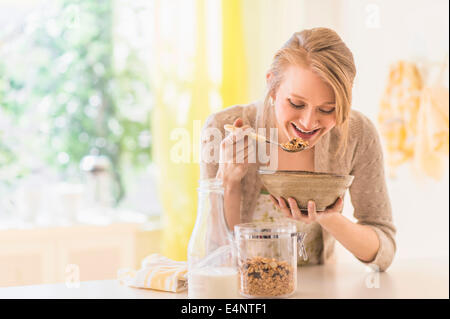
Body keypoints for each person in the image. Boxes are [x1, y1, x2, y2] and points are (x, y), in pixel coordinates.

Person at [200, 27, 396, 271]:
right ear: (272, 85)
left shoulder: (358, 134)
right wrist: (228, 184)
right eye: (296, 103)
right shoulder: (222, 129)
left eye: (327, 109)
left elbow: (384, 252)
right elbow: (217, 260)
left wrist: (328, 216)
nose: (308, 123)